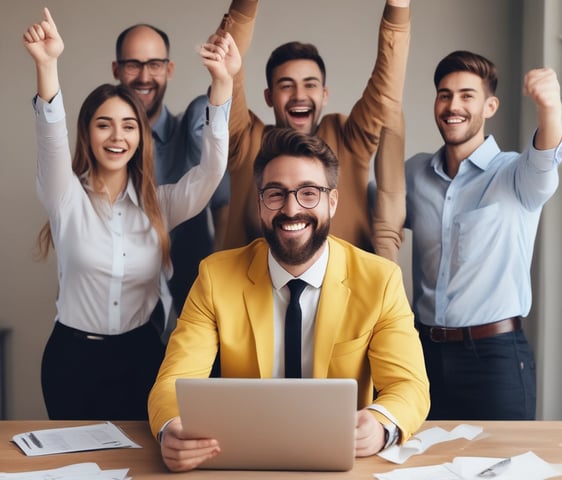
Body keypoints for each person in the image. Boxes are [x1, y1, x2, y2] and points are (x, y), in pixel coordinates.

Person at [148, 128, 429, 472]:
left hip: (343, 466)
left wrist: (381, 424)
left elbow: (409, 385)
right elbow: (173, 381)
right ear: (260, 203)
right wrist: (171, 428)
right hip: (244, 463)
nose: (291, 209)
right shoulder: (215, 277)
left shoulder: (380, 280)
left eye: (309, 193)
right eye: (276, 194)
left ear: (333, 201)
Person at [23, 8, 240, 420]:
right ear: (87, 133)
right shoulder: (64, 196)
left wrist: (222, 82)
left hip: (143, 357)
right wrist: (47, 64)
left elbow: (211, 171)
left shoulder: (162, 204)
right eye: (104, 125)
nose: (117, 136)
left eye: (128, 126)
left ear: (141, 137)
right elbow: (49, 134)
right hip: (73, 361)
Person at [405, 50, 562, 420]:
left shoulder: (515, 174)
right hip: (422, 354)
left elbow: (545, 157)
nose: (452, 105)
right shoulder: (413, 173)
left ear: (490, 106)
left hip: (495, 358)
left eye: (466, 95)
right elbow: (366, 217)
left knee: (503, 471)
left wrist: (551, 108)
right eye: (444, 94)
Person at [215, 0, 410, 262]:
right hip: (252, 293)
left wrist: (398, 6)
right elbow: (229, 72)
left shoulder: (348, 138)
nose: (299, 96)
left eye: (310, 85)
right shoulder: (246, 139)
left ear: (324, 94)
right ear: (269, 96)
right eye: (286, 86)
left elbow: (386, 90)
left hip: (346, 295)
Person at [112, 23, 231, 337]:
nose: (144, 76)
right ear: (116, 69)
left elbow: (222, 205)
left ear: (169, 69)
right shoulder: (104, 145)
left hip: (192, 290)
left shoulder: (191, 127)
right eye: (133, 64)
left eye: (154, 65)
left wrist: (217, 285)